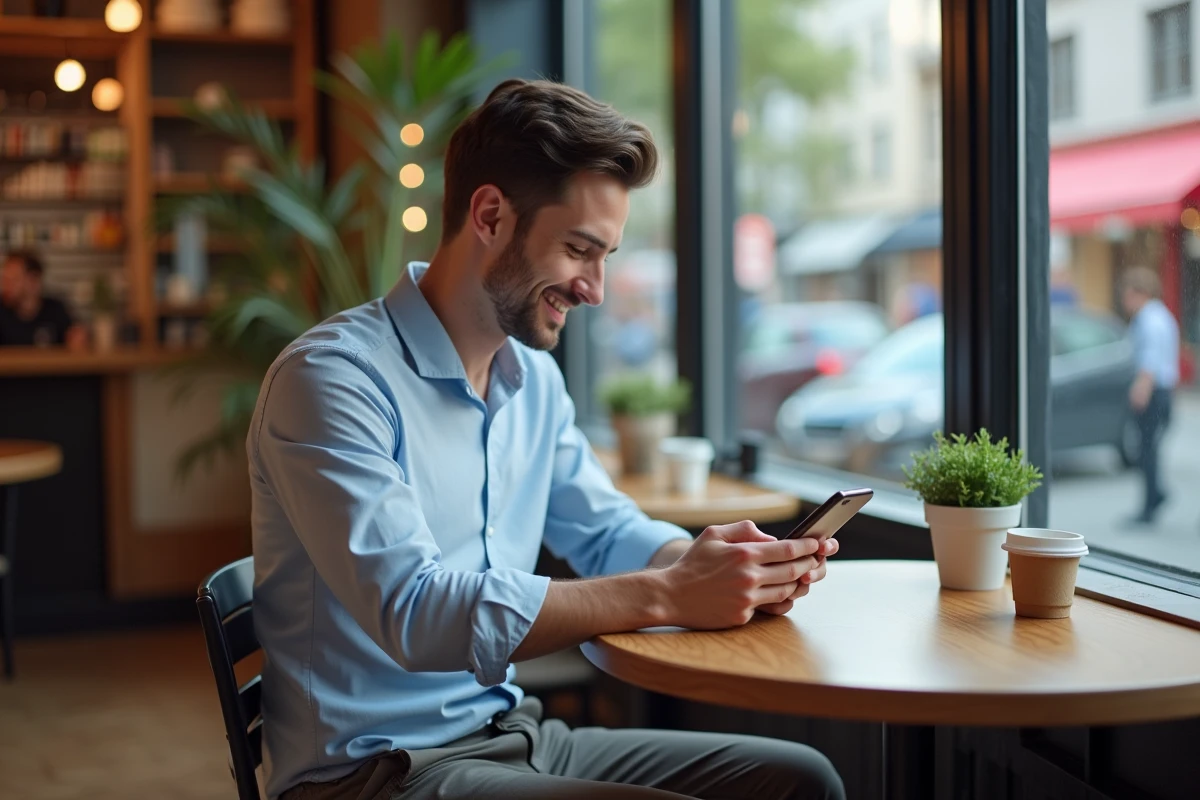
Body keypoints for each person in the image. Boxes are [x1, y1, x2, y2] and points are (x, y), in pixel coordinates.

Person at [251, 79, 845, 800]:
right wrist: (668, 594)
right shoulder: (333, 380)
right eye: (579, 250)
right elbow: (415, 614)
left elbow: (604, 532)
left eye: (606, 257)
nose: (595, 288)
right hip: (373, 774)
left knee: (799, 781)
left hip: (514, 737)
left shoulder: (533, 381)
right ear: (491, 215)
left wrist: (716, 565)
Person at [1120, 266, 1179, 525]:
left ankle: (1151, 505)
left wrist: (1141, 388)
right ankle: (1156, 495)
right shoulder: (1158, 316)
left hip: (1155, 392)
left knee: (1147, 450)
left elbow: (1151, 360)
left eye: (1127, 294)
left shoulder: (1150, 320)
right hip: (1161, 391)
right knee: (1149, 449)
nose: (1124, 301)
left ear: (1139, 293)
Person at [0, 250, 86, 348]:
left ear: (33, 281)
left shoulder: (55, 309)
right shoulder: (2, 310)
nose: (6, 285)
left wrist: (78, 339)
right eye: (5, 279)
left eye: (13, 279)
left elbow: (76, 337)